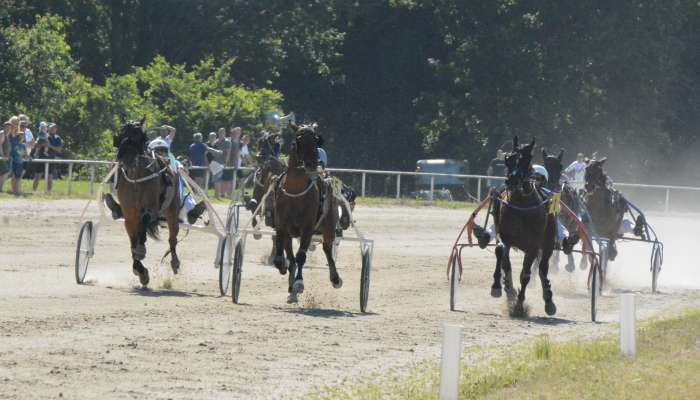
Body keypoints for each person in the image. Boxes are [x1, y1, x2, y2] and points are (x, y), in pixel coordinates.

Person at [8, 116, 27, 195]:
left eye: (17, 123)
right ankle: (15, 191)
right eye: (14, 123)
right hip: (10, 156)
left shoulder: (18, 134)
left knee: (17, 176)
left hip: (17, 157)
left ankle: (16, 191)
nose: (16, 125)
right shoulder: (8, 133)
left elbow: (21, 145)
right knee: (12, 175)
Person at [213, 128, 232, 198]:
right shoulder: (216, 142)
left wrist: (225, 163)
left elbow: (228, 153)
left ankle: (222, 194)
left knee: (223, 179)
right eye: (220, 132)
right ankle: (217, 194)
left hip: (223, 163)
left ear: (225, 133)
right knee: (216, 179)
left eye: (222, 132)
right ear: (218, 133)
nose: (221, 134)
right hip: (215, 162)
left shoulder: (228, 142)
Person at [45, 123, 63, 192]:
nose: (53, 129)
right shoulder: (44, 135)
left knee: (50, 176)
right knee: (38, 175)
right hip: (41, 158)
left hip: (51, 159)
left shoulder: (57, 138)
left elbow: (59, 150)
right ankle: (34, 191)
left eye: (55, 128)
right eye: (52, 127)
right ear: (48, 128)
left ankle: (48, 192)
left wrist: (50, 146)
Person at [0, 120, 12, 192]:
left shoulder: (7, 135)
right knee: (6, 171)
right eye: (7, 127)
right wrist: (2, 156)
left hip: (4, 157)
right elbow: (0, 145)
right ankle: (0, 188)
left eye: (9, 128)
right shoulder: (2, 133)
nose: (8, 129)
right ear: (4, 127)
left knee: (4, 172)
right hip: (1, 157)